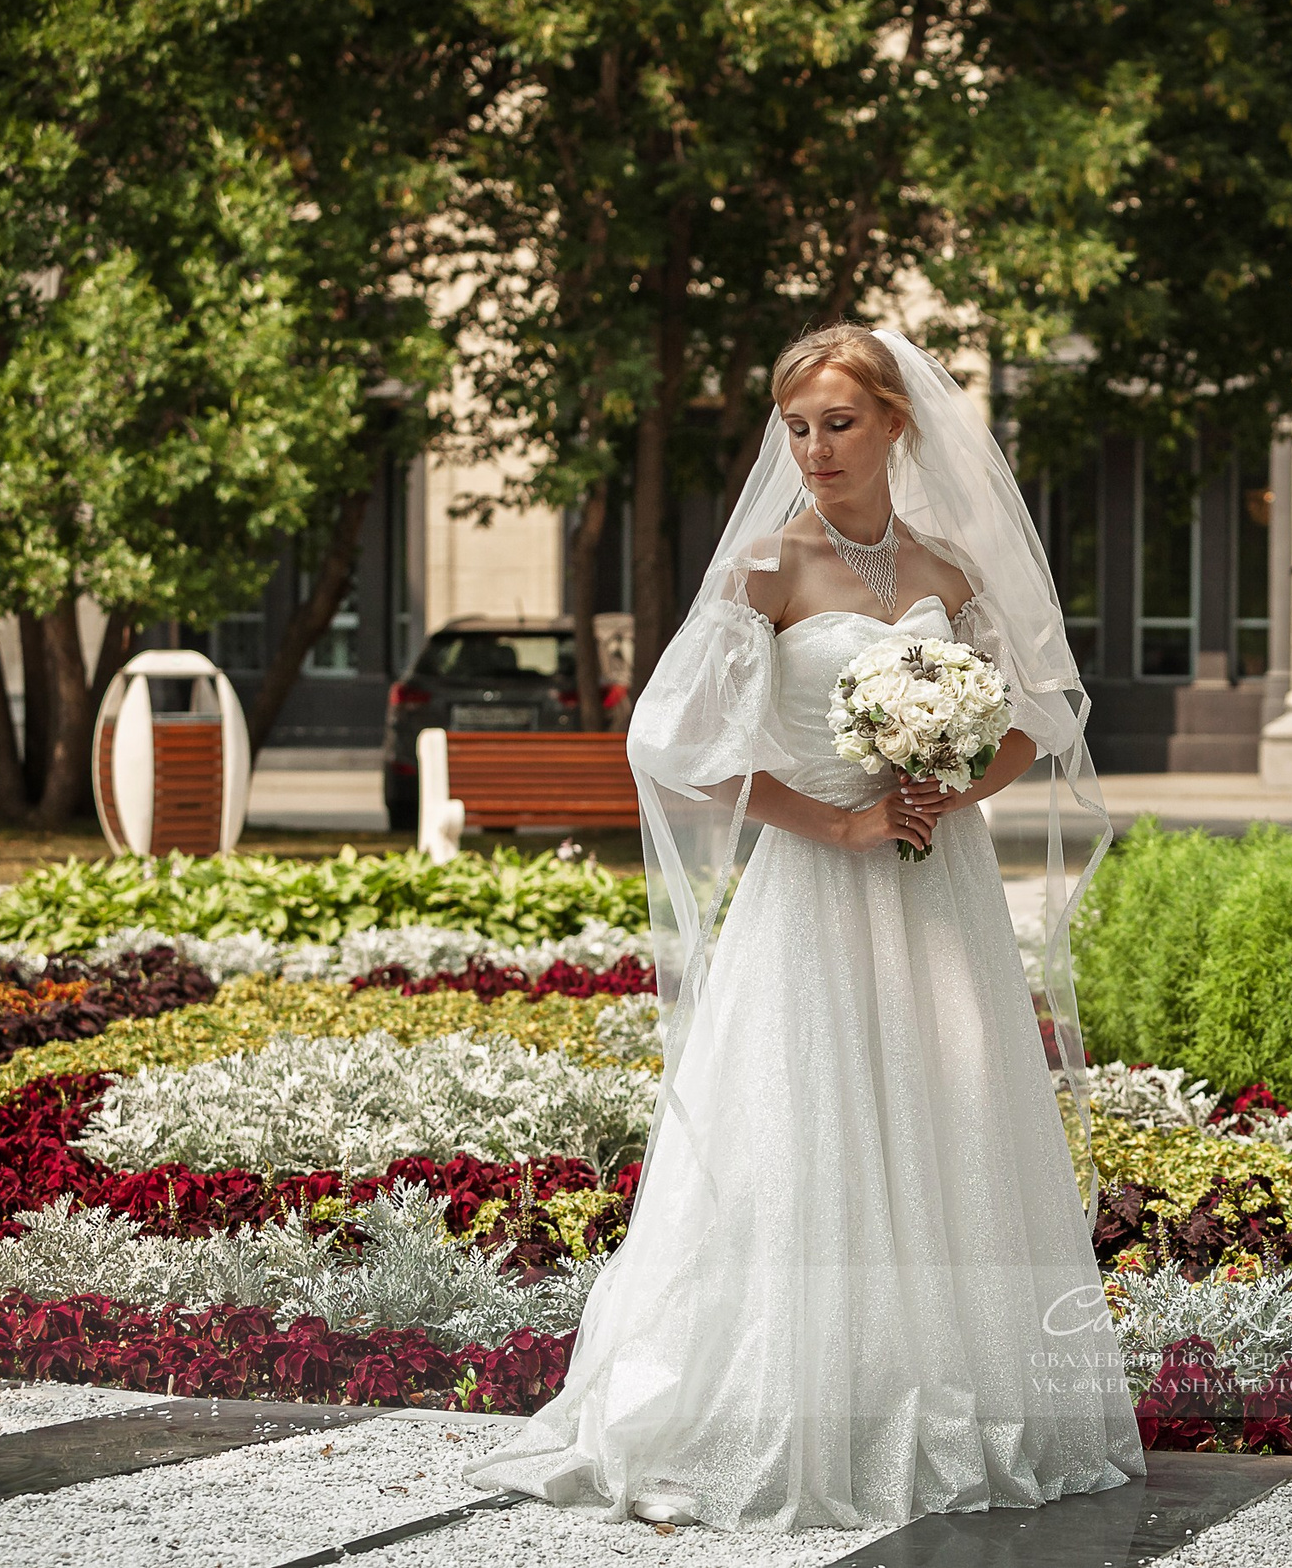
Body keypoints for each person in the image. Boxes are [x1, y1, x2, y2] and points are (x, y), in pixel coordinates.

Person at [463, 323, 1143, 1533]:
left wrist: (950, 788)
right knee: (805, 1123)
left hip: (938, 887)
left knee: (951, 1119)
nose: (816, 449)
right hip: (815, 885)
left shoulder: (948, 568)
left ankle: (938, 1400)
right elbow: (674, 744)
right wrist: (834, 826)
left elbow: (1038, 712)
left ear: (894, 426)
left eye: (840, 423)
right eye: (798, 427)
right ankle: (788, 1401)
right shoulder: (766, 570)